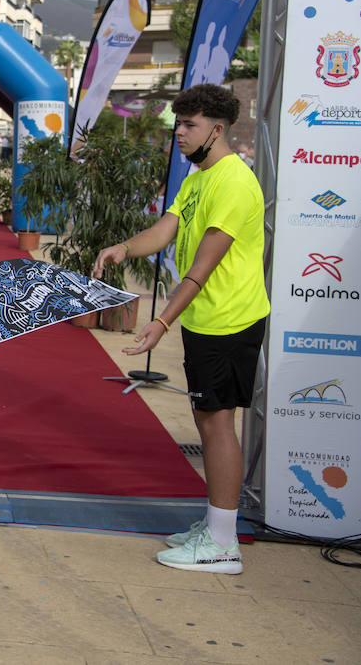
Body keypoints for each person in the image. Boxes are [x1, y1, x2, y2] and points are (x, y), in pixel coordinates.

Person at [93, 84, 268, 575]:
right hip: (207, 320)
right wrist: (123, 249)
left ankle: (221, 544)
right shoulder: (199, 178)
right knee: (208, 422)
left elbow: (201, 268)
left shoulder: (233, 181)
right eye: (178, 125)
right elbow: (165, 230)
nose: (180, 135)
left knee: (217, 425)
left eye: (188, 126)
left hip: (230, 319)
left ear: (216, 129)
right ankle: (216, 526)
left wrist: (161, 322)